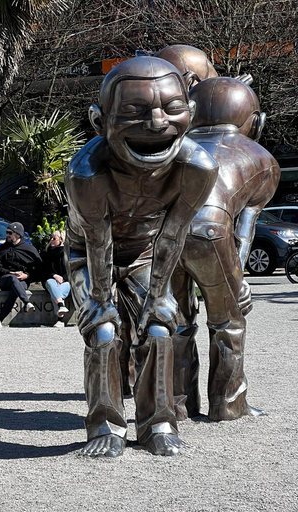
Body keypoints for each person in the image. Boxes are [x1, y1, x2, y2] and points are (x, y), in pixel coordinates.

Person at [65, 56, 218, 457]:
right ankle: (105, 426)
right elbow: (97, 243)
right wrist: (101, 303)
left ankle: (158, 422)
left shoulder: (197, 167)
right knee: (103, 331)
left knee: (159, 327)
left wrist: (158, 300)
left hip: (149, 251)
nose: (156, 124)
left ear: (193, 113)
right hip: (91, 253)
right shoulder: (87, 172)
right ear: (100, 121)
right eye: (134, 111)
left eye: (171, 109)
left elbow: (173, 235)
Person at [170, 76, 278, 421]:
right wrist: (239, 277)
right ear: (256, 121)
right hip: (212, 233)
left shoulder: (173, 148)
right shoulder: (262, 158)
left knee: (175, 323)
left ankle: (176, 404)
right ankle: (228, 404)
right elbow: (243, 231)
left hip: (166, 233)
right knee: (228, 322)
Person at [0, 222, 42, 328]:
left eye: (10, 233)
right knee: (13, 279)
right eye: (7, 232)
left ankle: (0, 319)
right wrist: (10, 273)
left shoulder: (29, 249)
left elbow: (38, 268)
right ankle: (27, 302)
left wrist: (26, 276)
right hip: (6, 279)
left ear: (18, 235)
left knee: (15, 288)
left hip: (22, 280)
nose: (7, 235)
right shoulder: (2, 249)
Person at [41, 230, 70, 321]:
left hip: (66, 281)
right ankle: (61, 309)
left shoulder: (68, 254)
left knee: (57, 292)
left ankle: (60, 316)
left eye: (54, 238)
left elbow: (72, 272)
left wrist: (63, 279)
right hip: (50, 280)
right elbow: (43, 270)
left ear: (61, 240)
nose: (51, 240)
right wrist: (54, 275)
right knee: (51, 283)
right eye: (51, 238)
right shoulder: (46, 253)